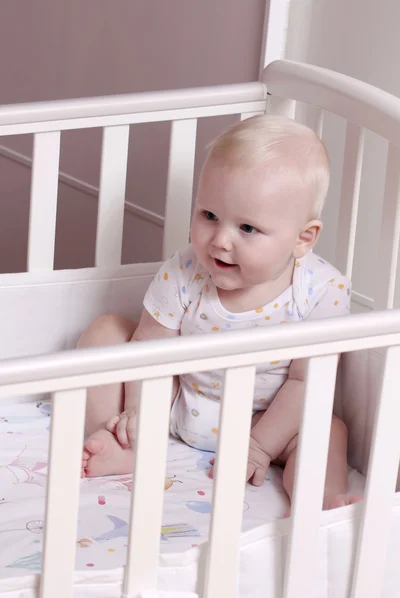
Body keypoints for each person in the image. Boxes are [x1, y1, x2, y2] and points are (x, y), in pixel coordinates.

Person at [80, 114, 360, 510]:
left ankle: (321, 500)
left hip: (263, 421)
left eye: (247, 228)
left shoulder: (322, 291)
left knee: (328, 429)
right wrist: (143, 411)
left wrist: (259, 446)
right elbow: (150, 349)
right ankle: (121, 440)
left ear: (303, 238)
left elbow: (305, 384)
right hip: (178, 405)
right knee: (105, 332)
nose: (220, 241)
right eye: (209, 216)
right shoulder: (184, 271)